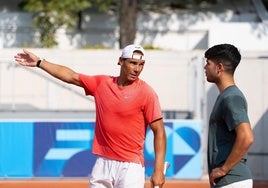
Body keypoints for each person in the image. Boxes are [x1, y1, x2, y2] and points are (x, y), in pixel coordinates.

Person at [14, 44, 167, 188]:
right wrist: (40, 62)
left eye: (141, 65)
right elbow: (71, 76)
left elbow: (159, 131)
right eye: (133, 63)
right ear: (121, 61)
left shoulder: (147, 93)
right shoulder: (102, 83)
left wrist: (158, 170)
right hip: (103, 163)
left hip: (131, 166)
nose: (137, 69)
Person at [204, 44, 254, 188]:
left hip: (233, 180)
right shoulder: (226, 96)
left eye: (208, 63)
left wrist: (223, 169)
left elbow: (247, 137)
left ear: (219, 68)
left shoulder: (231, 97)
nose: (205, 68)